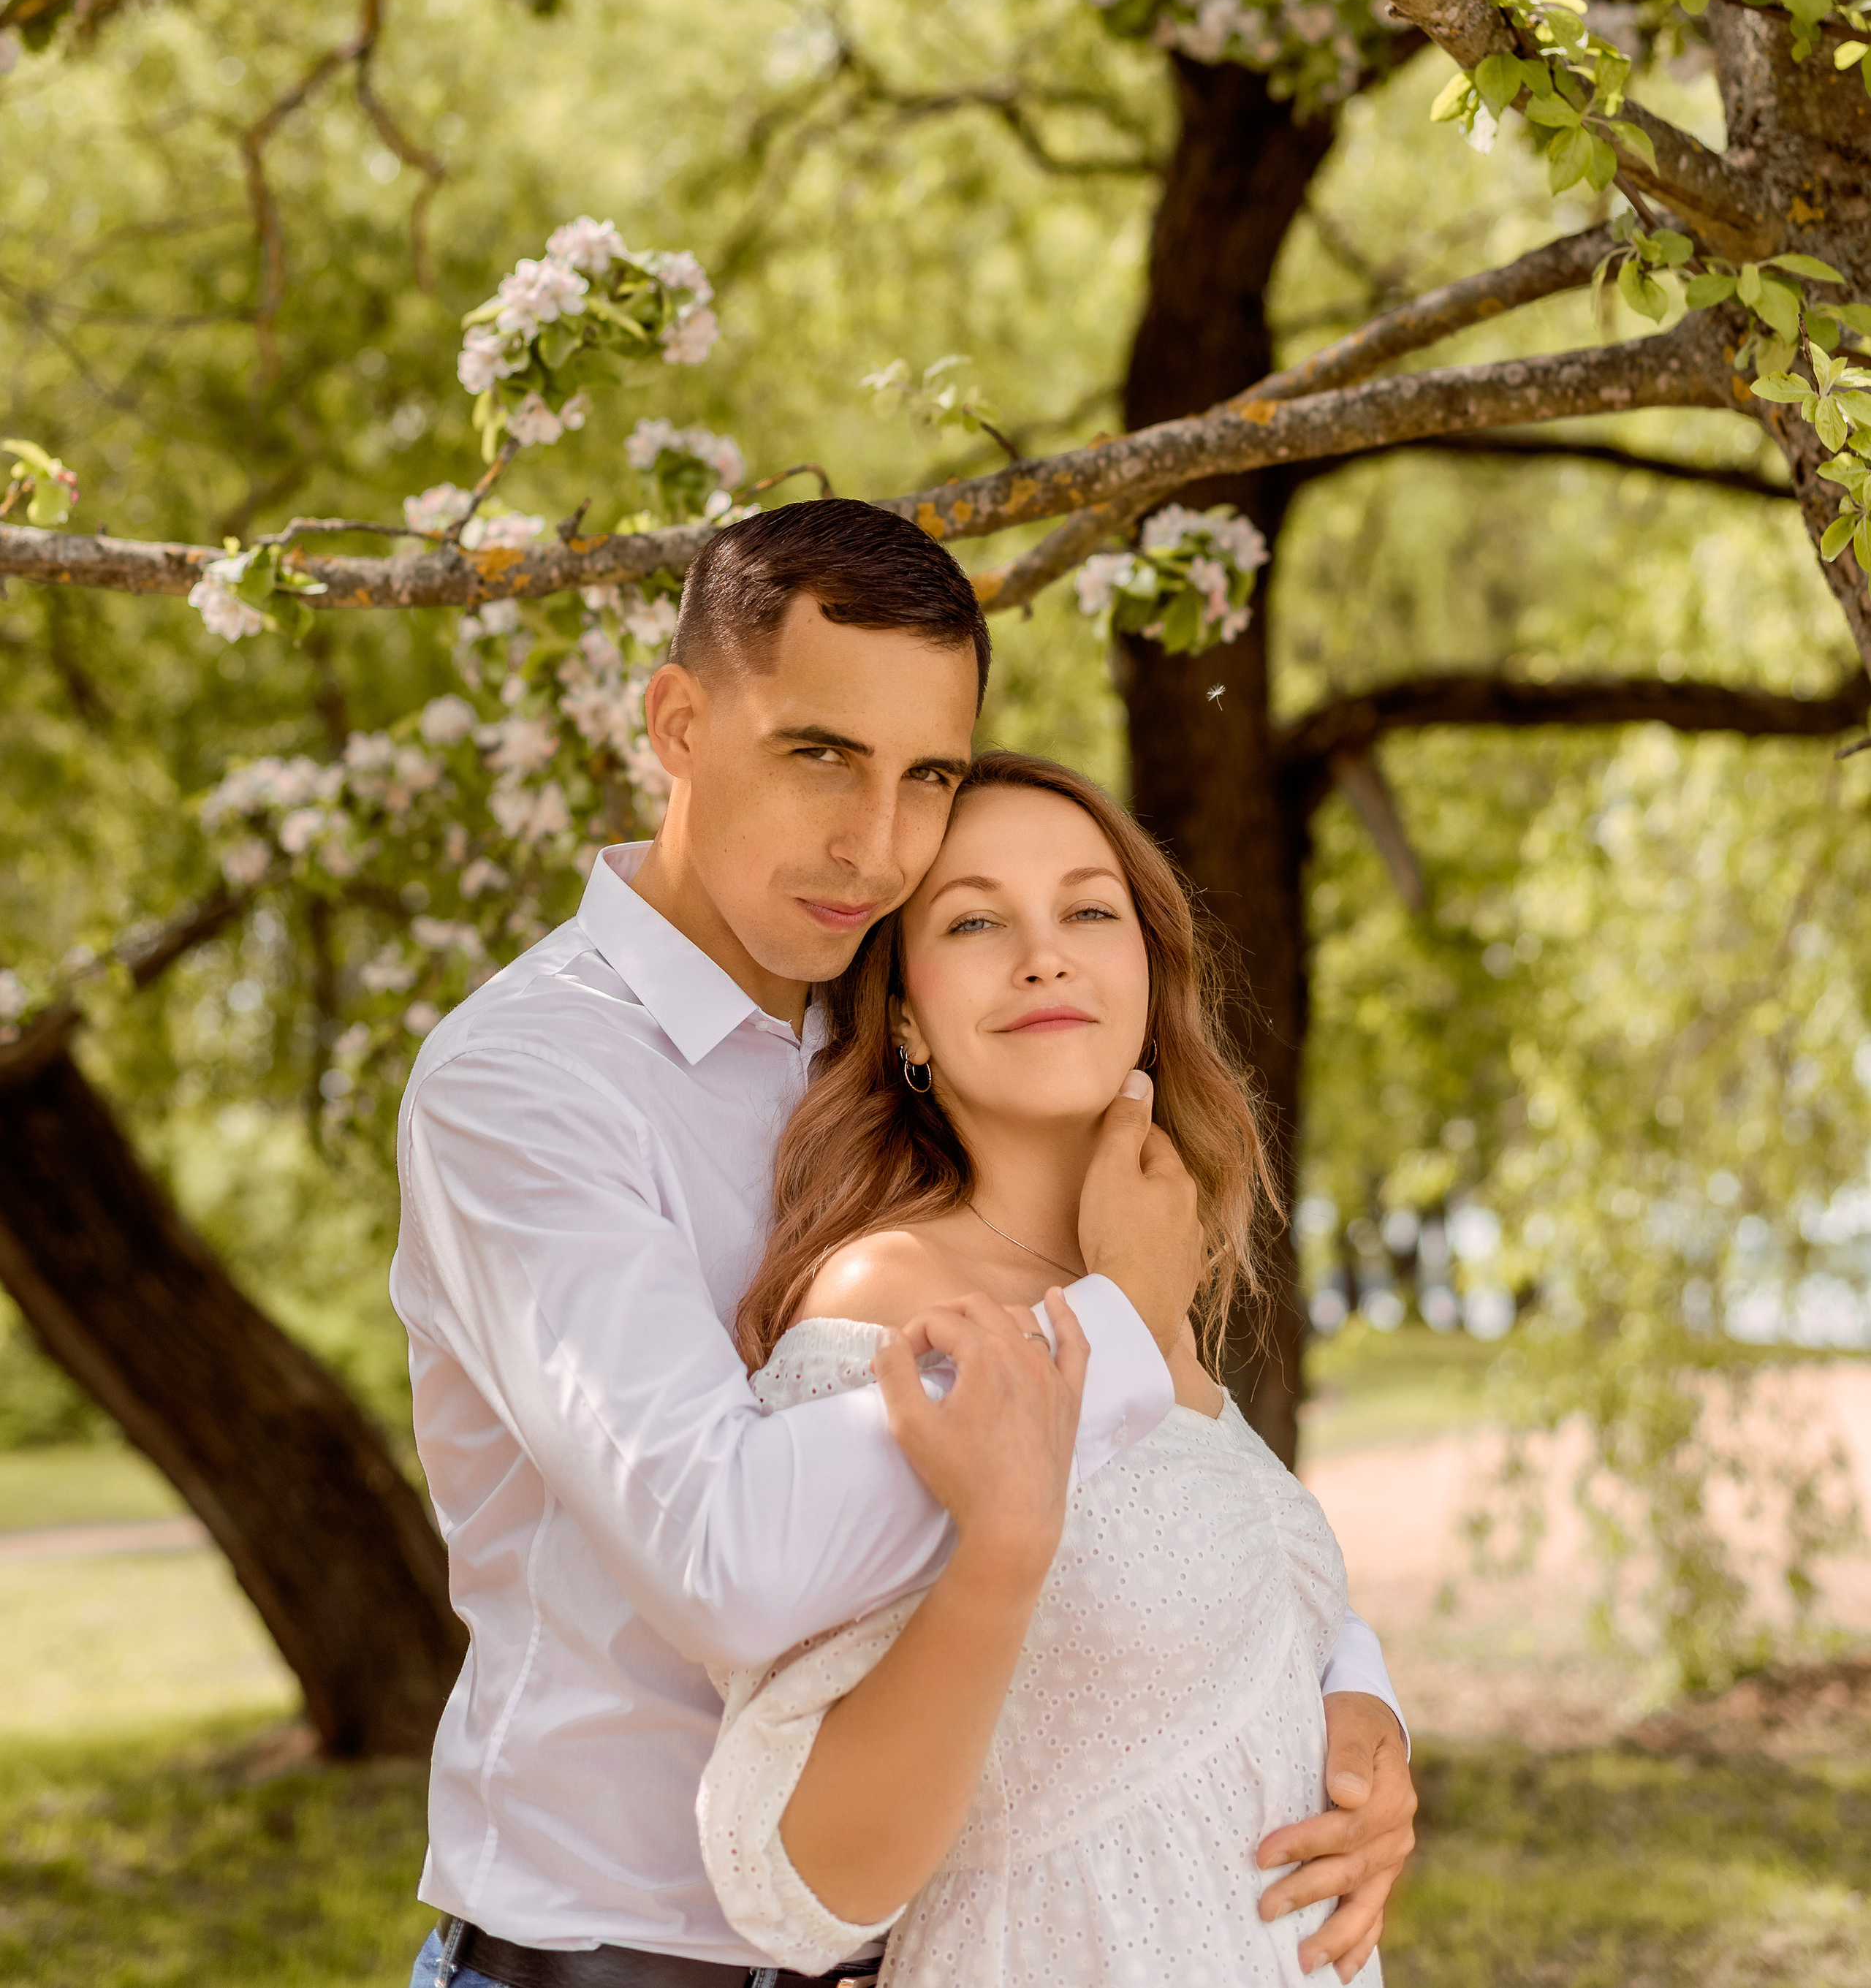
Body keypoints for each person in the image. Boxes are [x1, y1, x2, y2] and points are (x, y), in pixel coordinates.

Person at [393, 501, 1413, 1988]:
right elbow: (722, 1559)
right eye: (819, 756)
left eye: (924, 774)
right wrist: (1123, 1319)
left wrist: (1349, 1704)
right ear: (675, 721)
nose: (874, 845)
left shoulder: (914, 1048)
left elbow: (1182, 1511)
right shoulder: (527, 1085)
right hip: (621, 1957)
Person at [697, 751, 1391, 1984]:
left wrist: (1366, 1721)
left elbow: (1213, 1620)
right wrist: (1002, 1552)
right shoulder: (891, 1309)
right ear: (904, 1008)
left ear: (1146, 968)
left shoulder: (1151, 1282)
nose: (1044, 953)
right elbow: (805, 1880)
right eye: (974, 920)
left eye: (1088, 909)